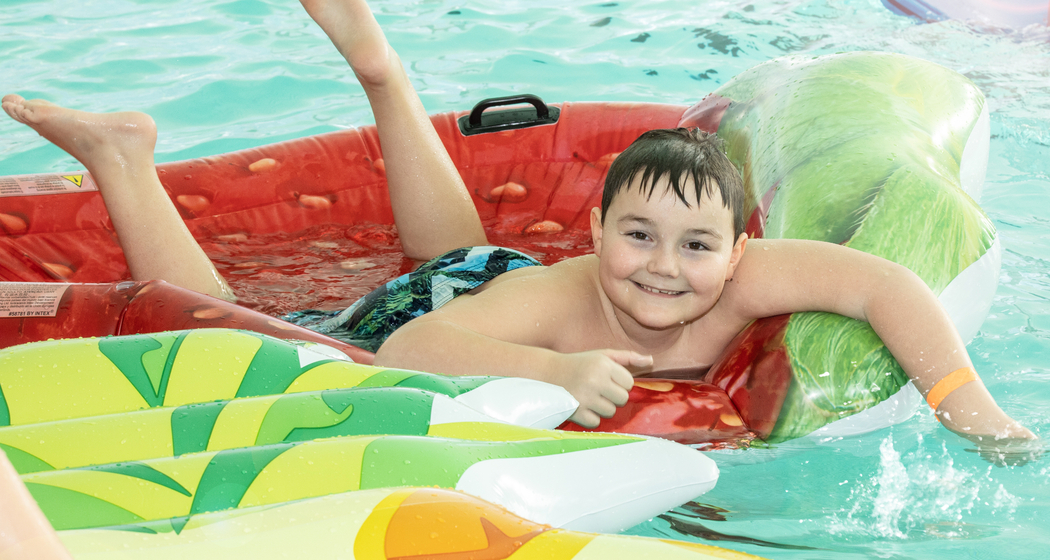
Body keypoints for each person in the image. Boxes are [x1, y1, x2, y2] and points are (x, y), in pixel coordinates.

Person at [2, 0, 1039, 465]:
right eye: (636, 237)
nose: (665, 270)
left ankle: (383, 70)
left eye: (694, 246)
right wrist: (558, 370)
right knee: (254, 326)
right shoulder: (569, 290)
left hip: (481, 272)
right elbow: (406, 349)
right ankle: (124, 161)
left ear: (738, 245)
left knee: (446, 258)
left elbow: (882, 287)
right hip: (457, 308)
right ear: (594, 229)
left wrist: (965, 402)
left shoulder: (749, 271)